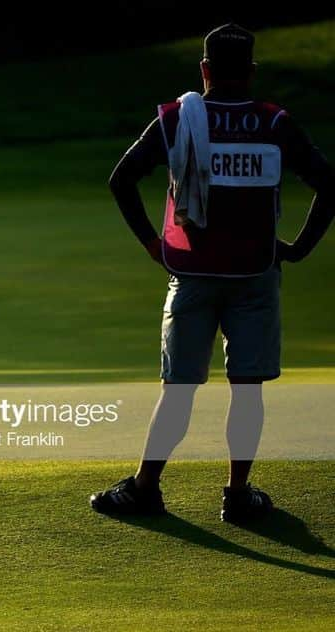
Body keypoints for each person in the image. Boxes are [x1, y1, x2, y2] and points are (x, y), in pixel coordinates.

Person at [91, 24, 335, 521]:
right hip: (254, 275)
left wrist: (152, 245)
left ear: (204, 69)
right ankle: (238, 494)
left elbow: (122, 179)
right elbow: (329, 183)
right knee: (248, 389)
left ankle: (145, 487)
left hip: (193, 274)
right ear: (250, 72)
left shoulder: (177, 118)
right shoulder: (274, 123)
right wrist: (300, 248)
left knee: (177, 389)